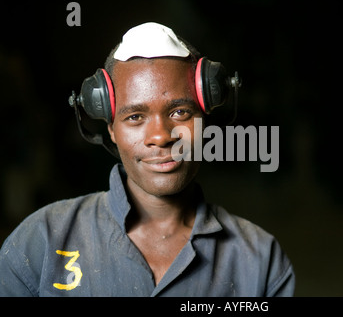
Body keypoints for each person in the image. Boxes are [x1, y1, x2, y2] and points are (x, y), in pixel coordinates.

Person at [0, 22, 295, 296]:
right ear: (111, 129)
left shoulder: (259, 261)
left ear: (205, 119)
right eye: (135, 117)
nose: (160, 136)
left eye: (180, 112)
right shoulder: (39, 243)